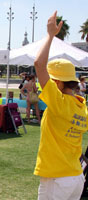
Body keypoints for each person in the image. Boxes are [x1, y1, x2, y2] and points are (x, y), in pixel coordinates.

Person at [33, 11, 88, 200]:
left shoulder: (59, 103)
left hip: (57, 179)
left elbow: (39, 64)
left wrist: (50, 35)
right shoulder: (82, 105)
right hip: (76, 176)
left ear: (57, 83)